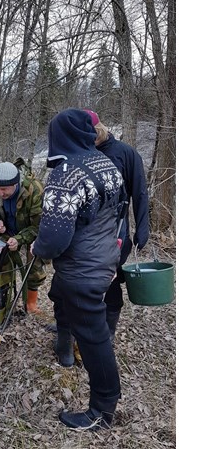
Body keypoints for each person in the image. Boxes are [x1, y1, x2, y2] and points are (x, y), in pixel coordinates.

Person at [31, 108, 125, 431]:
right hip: (103, 261)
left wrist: (37, 248)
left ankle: (102, 408)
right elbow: (117, 214)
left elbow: (55, 237)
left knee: (92, 337)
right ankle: (106, 395)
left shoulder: (66, 175)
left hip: (82, 270)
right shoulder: (106, 164)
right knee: (92, 330)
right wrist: (113, 256)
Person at [85, 110, 151, 340]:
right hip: (88, 228)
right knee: (82, 278)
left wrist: (143, 228)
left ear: (98, 130)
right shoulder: (83, 152)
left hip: (117, 227)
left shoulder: (125, 153)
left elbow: (140, 192)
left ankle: (108, 329)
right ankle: (71, 324)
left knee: (109, 276)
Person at [0, 159, 46, 315]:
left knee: (34, 267)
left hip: (31, 230)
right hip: (6, 230)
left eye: (4, 189)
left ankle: (30, 304)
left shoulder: (34, 190)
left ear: (16, 184)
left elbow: (39, 226)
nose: (1, 193)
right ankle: (3, 302)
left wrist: (20, 239)